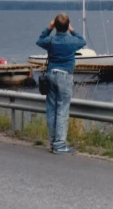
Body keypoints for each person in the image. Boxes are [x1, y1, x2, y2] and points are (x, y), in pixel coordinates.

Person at [36, 13, 86, 154]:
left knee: (52, 109)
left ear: (55, 26)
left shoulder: (51, 40)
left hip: (51, 74)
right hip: (65, 76)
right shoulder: (72, 42)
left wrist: (49, 28)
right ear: (67, 26)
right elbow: (82, 41)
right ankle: (59, 145)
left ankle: (53, 142)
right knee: (62, 110)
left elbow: (40, 40)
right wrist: (72, 30)